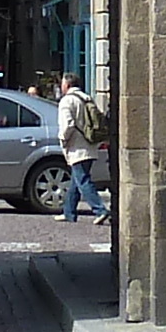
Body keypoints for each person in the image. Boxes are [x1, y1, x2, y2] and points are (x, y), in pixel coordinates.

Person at [53, 77, 114, 228]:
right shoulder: (86, 98)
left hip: (77, 147)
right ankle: (69, 211)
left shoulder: (67, 101)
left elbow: (68, 125)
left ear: (67, 85)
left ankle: (100, 210)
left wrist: (62, 139)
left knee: (82, 180)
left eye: (62, 83)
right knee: (76, 180)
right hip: (90, 145)